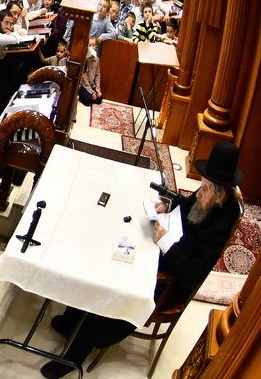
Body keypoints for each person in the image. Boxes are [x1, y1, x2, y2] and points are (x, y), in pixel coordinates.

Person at [40, 143, 244, 378]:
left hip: (166, 285)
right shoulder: (208, 197)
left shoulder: (220, 225)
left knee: (111, 281)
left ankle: (76, 352)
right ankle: (72, 320)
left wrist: (166, 243)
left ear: (220, 195)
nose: (199, 192)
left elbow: (191, 276)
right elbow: (189, 204)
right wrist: (169, 204)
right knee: (105, 256)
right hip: (164, 256)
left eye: (206, 189)